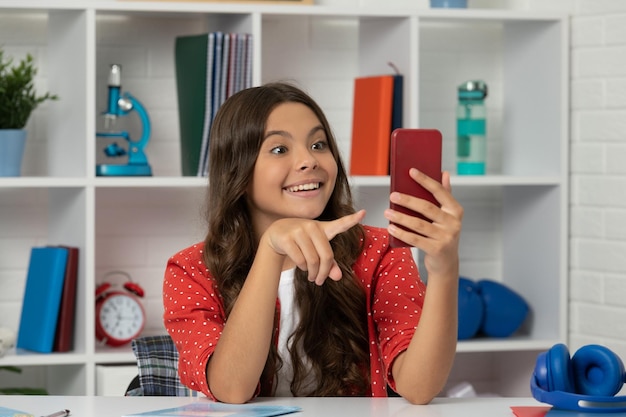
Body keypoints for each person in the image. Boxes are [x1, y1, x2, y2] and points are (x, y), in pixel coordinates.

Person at [163, 81, 463, 405]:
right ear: (238, 171)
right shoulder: (191, 270)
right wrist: (270, 250)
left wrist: (445, 268)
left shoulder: (379, 253)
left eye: (319, 144)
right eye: (279, 149)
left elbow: (419, 387)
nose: (309, 161)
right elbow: (232, 389)